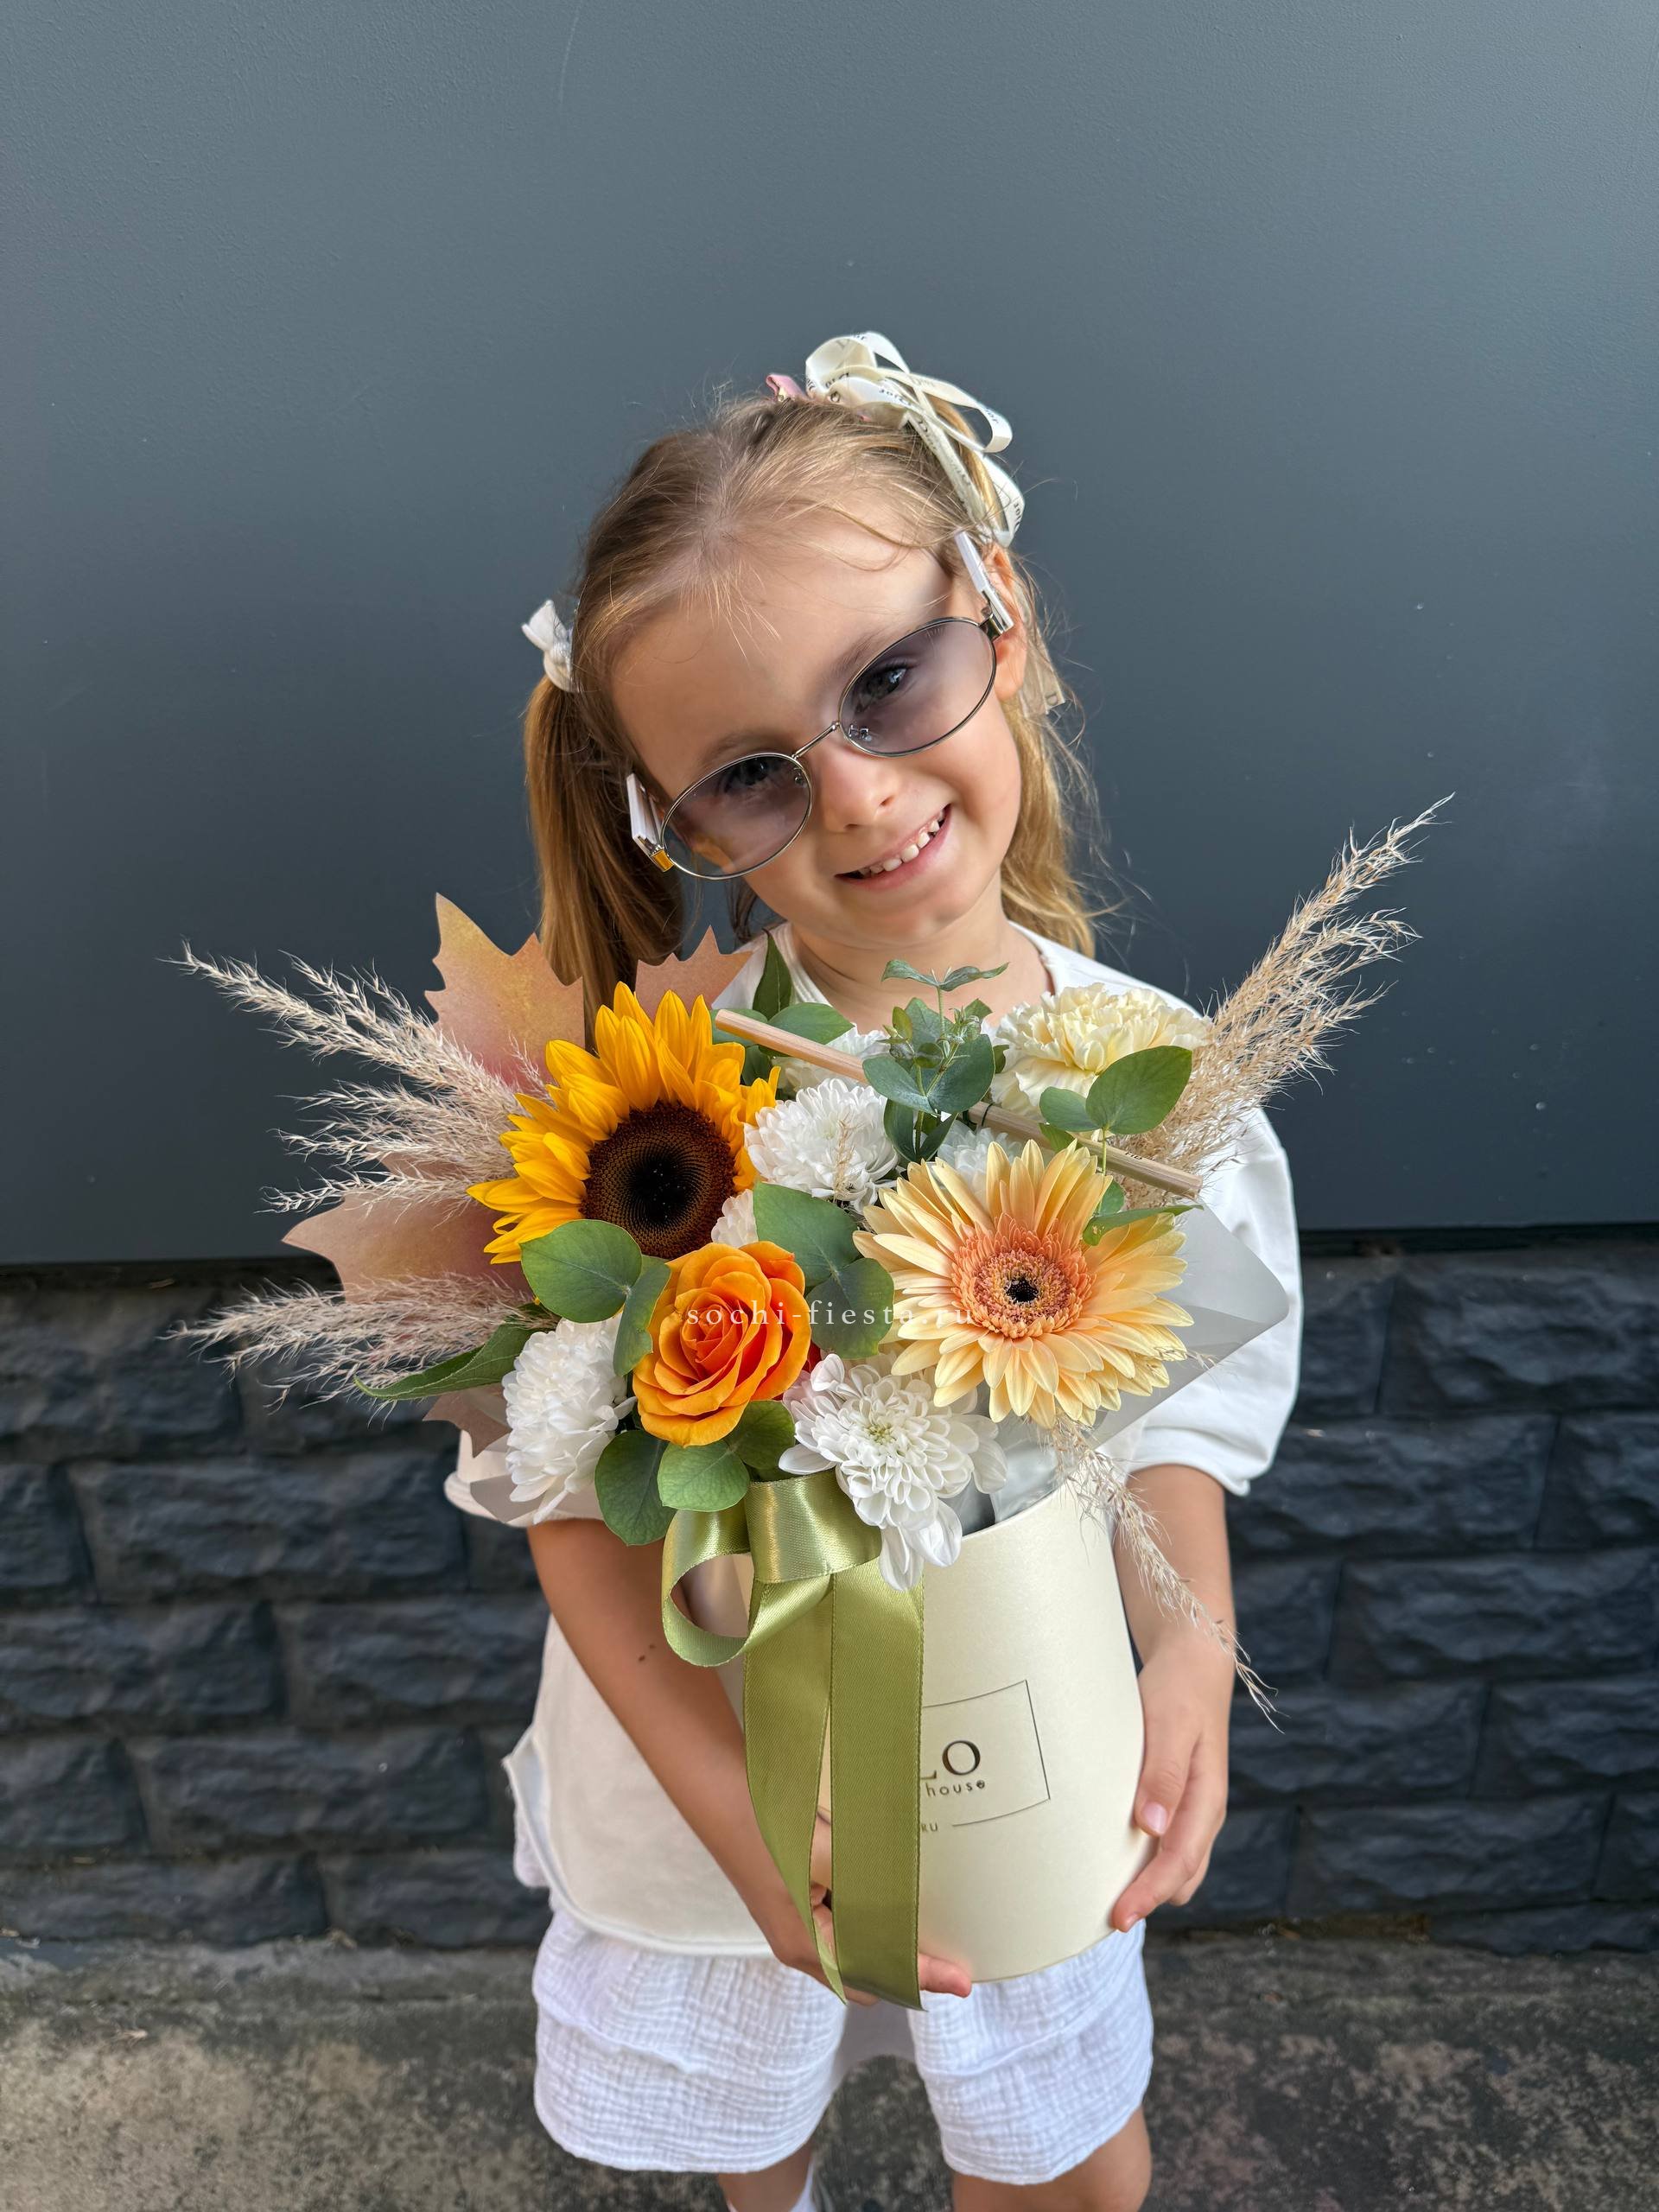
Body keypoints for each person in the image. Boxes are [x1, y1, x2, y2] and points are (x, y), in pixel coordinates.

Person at [445, 332, 1304, 2212]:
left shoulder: (1157, 1079)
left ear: (1001, 615)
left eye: (890, 680)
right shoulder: (652, 1135)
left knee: (1070, 2170)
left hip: (1033, 1753)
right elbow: (568, 1509)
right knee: (761, 2150)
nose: (852, 796)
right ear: (672, 822)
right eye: (751, 775)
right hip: (732, 1796)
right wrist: (746, 1825)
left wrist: (1191, 1636)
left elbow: (1174, 1414)